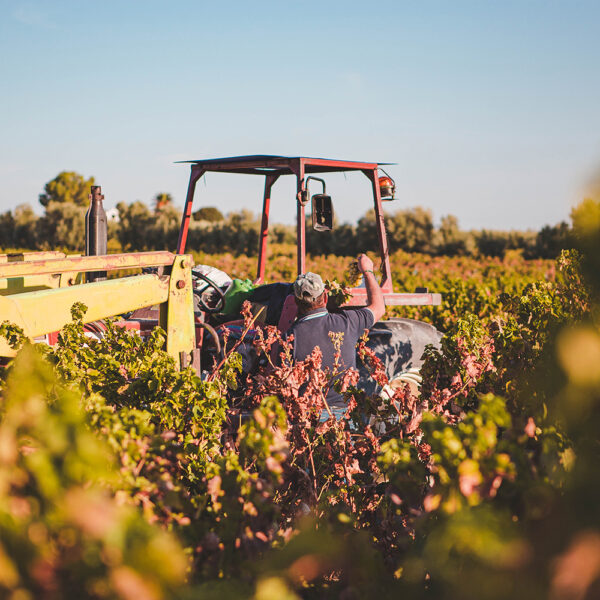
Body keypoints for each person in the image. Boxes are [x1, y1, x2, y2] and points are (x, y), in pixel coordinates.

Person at [286, 254, 385, 416]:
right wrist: (367, 271)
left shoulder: (289, 337)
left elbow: (285, 387)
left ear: (296, 302)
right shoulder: (348, 322)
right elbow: (379, 307)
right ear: (325, 297)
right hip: (344, 417)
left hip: (308, 418)